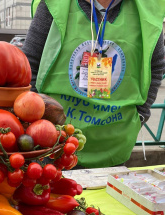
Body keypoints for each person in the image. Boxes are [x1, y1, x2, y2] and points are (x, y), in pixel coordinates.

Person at [23, 0, 165, 168]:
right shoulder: (55, 5)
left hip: (115, 148)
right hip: (54, 144)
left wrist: (140, 115)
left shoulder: (145, 9)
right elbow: (28, 64)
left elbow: (155, 66)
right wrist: (37, 121)